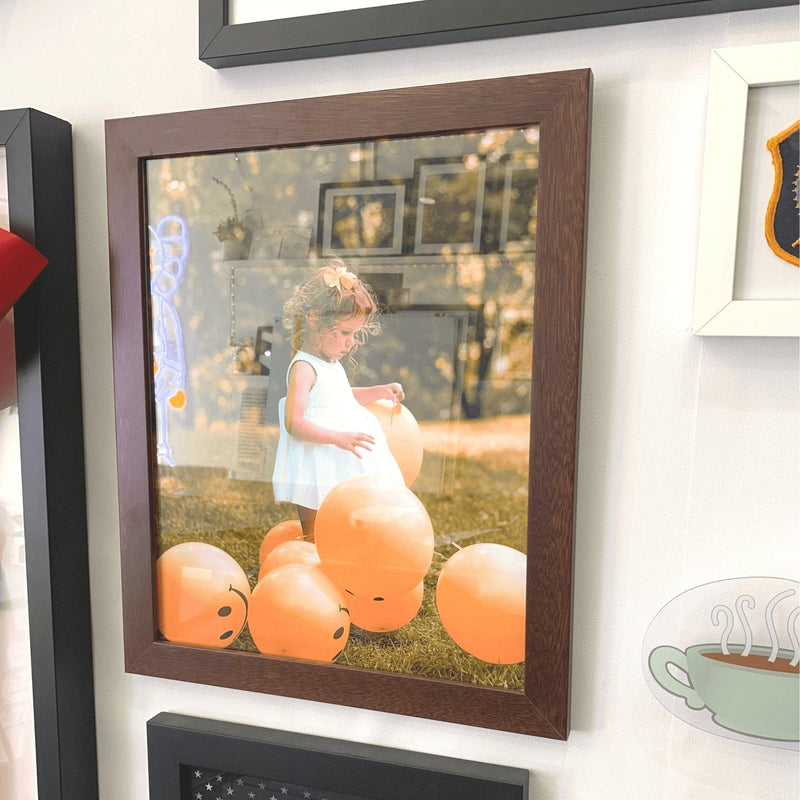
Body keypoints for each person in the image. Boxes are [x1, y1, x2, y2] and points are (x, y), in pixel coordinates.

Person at [272, 262, 405, 540]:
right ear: (314, 321)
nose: (351, 342)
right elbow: (294, 423)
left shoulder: (329, 362)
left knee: (344, 527)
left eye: (354, 334)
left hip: (337, 456)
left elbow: (341, 398)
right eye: (346, 333)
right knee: (316, 533)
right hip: (316, 459)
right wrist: (337, 438)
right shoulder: (304, 367)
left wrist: (379, 391)